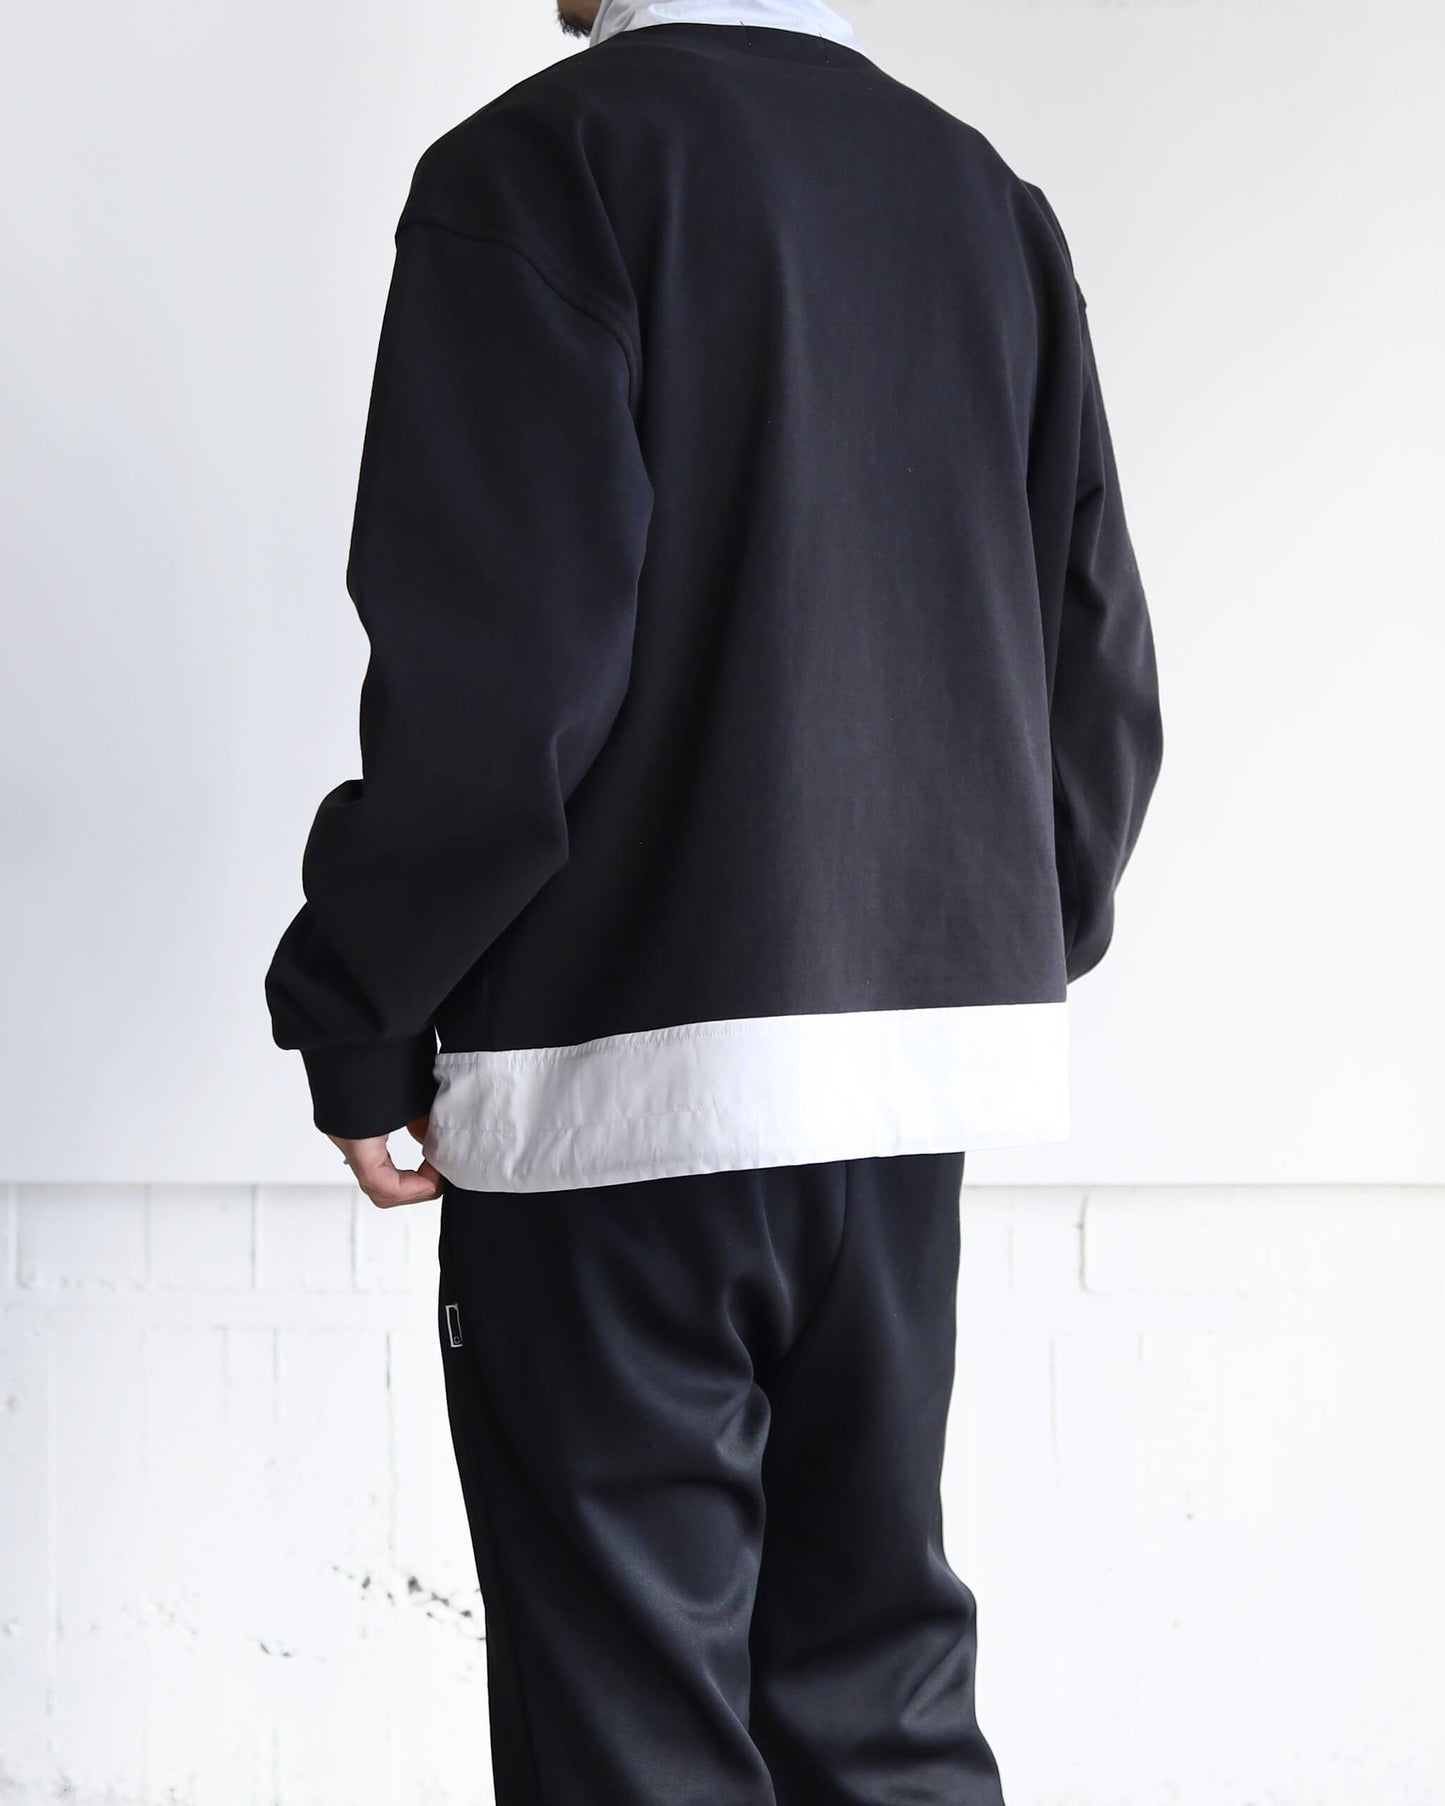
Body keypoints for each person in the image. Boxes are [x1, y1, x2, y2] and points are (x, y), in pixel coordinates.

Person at [264, 0, 1164, 1797]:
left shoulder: (543, 170)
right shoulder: (980, 202)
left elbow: (497, 685)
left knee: (635, 1738)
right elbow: (1095, 683)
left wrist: (360, 1009)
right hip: (901, 1101)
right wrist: (973, 946)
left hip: (618, 1106)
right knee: (879, 1705)